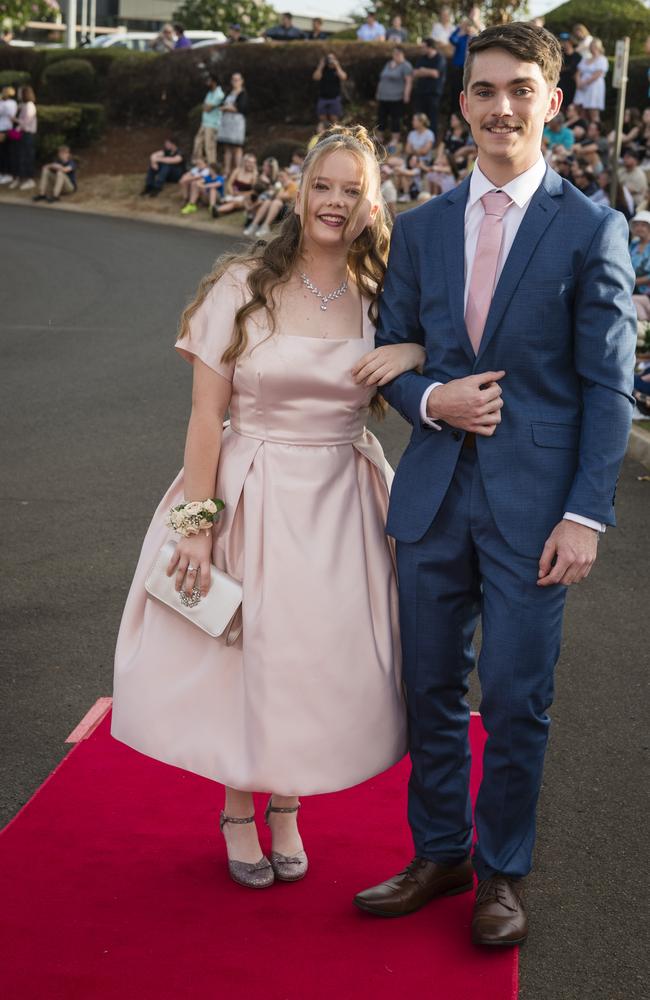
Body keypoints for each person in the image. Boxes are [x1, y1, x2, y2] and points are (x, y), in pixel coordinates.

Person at [353, 22, 636, 948]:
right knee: (429, 687)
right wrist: (433, 397)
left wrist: (587, 513)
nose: (501, 106)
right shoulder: (424, 227)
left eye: (521, 89)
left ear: (553, 104)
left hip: (536, 513)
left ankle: (502, 871)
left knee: (517, 697)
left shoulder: (593, 227)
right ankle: (441, 853)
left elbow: (607, 388)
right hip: (433, 498)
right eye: (484, 90)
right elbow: (391, 357)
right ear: (462, 101)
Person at [111, 125, 425, 889]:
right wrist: (196, 525)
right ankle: (237, 810)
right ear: (301, 189)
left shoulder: (385, 294)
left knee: (310, 656)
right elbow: (202, 416)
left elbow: (435, 360)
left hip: (343, 496)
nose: (336, 201)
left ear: (371, 202)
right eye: (325, 185)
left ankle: (287, 805)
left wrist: (413, 352)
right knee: (241, 650)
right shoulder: (242, 284)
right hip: (250, 488)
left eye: (353, 190)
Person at [376, 46, 413, 151]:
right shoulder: (388, 64)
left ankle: (394, 140)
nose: (395, 56)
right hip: (383, 97)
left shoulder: (406, 66)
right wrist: (378, 92)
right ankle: (379, 138)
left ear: (402, 54)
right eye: (394, 54)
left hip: (396, 97)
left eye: (397, 54)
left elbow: (408, 81)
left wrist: (406, 95)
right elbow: (382, 78)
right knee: (381, 117)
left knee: (395, 119)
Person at [243, 167, 297, 236]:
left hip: (287, 210)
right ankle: (254, 225)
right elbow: (270, 195)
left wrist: (279, 190)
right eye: (279, 176)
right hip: (275, 208)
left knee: (276, 202)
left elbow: (286, 197)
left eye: (282, 176)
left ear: (288, 176)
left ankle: (266, 226)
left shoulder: (292, 185)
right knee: (267, 202)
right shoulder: (280, 186)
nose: (280, 178)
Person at [411, 37, 447, 139]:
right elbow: (414, 73)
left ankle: (431, 141)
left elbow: (435, 73)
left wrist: (423, 70)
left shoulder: (440, 58)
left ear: (430, 47)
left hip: (433, 93)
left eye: (423, 47)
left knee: (432, 118)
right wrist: (426, 72)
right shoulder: (422, 58)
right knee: (419, 117)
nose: (421, 49)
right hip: (420, 93)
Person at [7, 85, 37, 191]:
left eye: (20, 92)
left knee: (27, 156)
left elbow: (26, 122)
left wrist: (15, 120)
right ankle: (19, 177)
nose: (18, 94)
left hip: (27, 135)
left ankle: (29, 179)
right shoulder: (23, 105)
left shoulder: (30, 106)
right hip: (20, 134)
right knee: (19, 156)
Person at [218, 72, 248, 174]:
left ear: (241, 81)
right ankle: (227, 170)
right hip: (227, 123)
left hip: (237, 123)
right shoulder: (229, 93)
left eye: (237, 80)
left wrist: (228, 107)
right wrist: (228, 107)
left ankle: (238, 171)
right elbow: (222, 105)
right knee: (227, 147)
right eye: (233, 80)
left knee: (237, 147)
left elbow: (241, 108)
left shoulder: (243, 93)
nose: (235, 82)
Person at [192, 75, 224, 169]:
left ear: (214, 82)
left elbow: (208, 108)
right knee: (198, 142)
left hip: (213, 124)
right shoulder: (210, 93)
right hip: (205, 122)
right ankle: (198, 163)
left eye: (209, 81)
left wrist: (206, 106)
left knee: (209, 146)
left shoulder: (219, 94)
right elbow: (204, 106)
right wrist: (206, 106)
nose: (207, 83)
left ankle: (212, 166)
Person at [212, 153, 258, 218]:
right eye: (249, 162)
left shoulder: (254, 176)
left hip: (244, 197)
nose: (250, 164)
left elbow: (253, 191)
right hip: (233, 194)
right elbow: (229, 183)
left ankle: (218, 209)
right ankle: (219, 207)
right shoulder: (237, 171)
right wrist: (231, 192)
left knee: (234, 203)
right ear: (244, 162)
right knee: (229, 201)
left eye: (253, 163)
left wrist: (240, 193)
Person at [448, 16, 480, 112]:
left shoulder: (475, 38)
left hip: (470, 68)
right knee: (455, 92)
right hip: (457, 67)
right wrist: (459, 30)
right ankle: (454, 113)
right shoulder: (461, 36)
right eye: (466, 26)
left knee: (468, 91)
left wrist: (474, 32)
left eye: (469, 26)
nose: (467, 28)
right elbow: (452, 39)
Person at [574, 37, 608, 122]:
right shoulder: (585, 59)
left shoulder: (602, 59)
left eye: (594, 46)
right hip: (582, 86)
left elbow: (598, 74)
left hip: (594, 87)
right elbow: (578, 72)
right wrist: (578, 83)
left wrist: (585, 82)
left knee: (593, 111)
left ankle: (596, 130)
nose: (592, 48)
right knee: (581, 109)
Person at [313, 52, 347, 132]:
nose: (330, 61)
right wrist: (321, 66)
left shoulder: (337, 69)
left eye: (332, 58)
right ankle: (322, 135)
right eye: (328, 59)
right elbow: (315, 77)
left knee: (334, 119)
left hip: (334, 98)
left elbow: (344, 77)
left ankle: (335, 134)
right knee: (322, 120)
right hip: (323, 98)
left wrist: (337, 66)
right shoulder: (322, 69)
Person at [0, 85, 17, 184]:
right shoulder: (12, 103)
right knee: (4, 152)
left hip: (4, 129)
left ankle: (6, 174)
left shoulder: (8, 103)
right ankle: (3, 173)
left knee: (4, 152)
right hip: (5, 129)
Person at [558, 33, 580, 108]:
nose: (564, 44)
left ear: (571, 42)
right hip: (561, 83)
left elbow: (574, 69)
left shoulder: (577, 56)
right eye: (563, 42)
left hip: (572, 85)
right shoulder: (560, 55)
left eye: (567, 42)